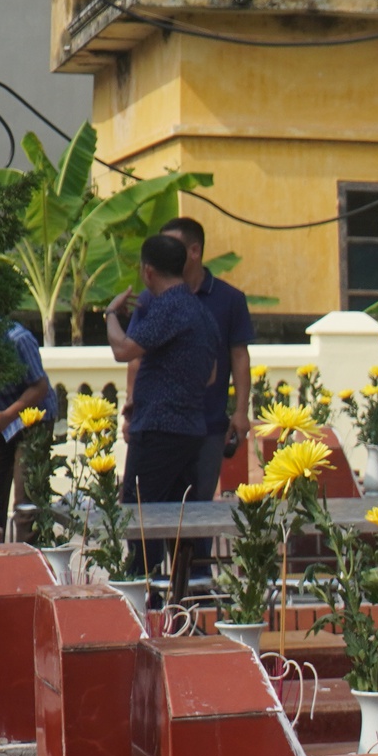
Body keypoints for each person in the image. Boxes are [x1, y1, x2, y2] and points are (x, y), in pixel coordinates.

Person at [106, 232, 221, 584]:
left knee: (140, 523)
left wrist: (111, 313)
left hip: (158, 428)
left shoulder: (170, 306)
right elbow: (211, 375)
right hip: (189, 430)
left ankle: (143, 599)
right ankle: (179, 603)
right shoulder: (200, 310)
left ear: (147, 272)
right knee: (176, 524)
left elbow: (123, 350)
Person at [156, 217, 254, 500]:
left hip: (209, 426)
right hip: (163, 425)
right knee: (155, 512)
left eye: (172, 247)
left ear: (195, 251)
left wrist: (240, 411)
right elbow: (139, 358)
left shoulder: (229, 299)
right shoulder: (156, 297)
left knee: (198, 510)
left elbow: (239, 356)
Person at [0, 319, 51, 532]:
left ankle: (25, 561)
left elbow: (41, 387)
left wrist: (7, 416)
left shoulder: (17, 339)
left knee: (26, 504)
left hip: (30, 420)